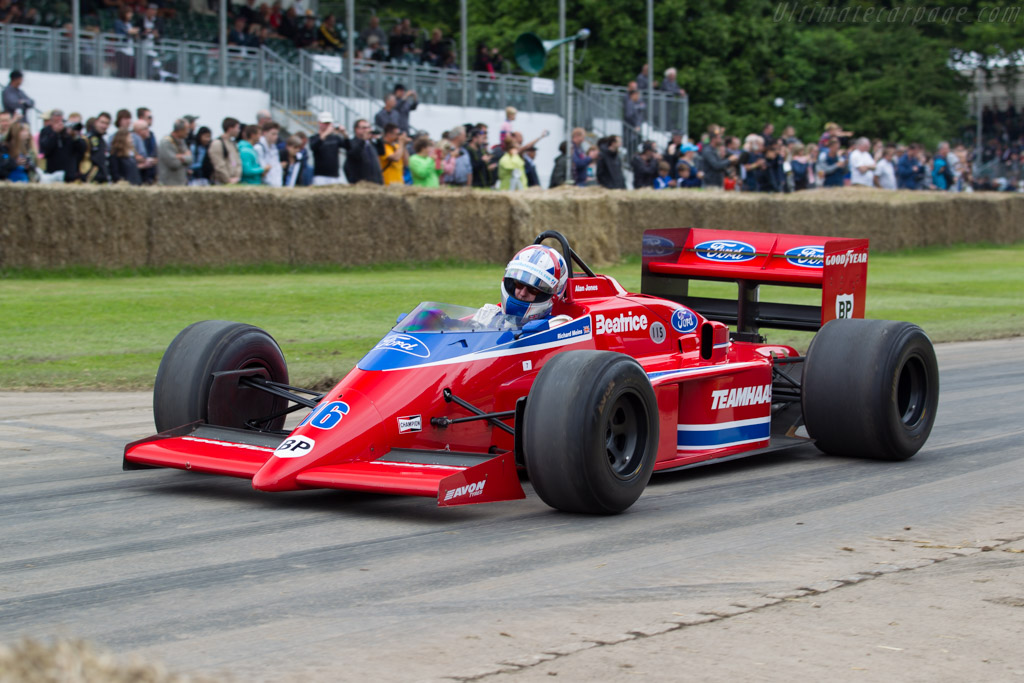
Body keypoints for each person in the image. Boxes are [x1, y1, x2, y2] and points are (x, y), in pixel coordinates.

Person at [499, 245, 569, 325]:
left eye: (533, 290)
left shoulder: (558, 326)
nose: (522, 293)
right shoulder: (489, 316)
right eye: (519, 284)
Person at [38, 109, 86, 183]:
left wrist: (74, 136)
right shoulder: (46, 131)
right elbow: (44, 149)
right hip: (52, 173)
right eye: (56, 122)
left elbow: (82, 150)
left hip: (69, 174)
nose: (60, 124)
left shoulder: (69, 132)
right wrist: (55, 133)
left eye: (61, 121)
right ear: (51, 121)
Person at [341, 118, 384, 184]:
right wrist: (363, 140)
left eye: (369, 128)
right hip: (361, 183)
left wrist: (379, 140)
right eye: (364, 128)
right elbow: (354, 155)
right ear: (356, 129)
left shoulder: (371, 143)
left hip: (375, 182)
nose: (367, 130)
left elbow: (381, 152)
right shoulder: (352, 143)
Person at [157, 118, 193, 186]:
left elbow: (190, 159)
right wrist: (185, 157)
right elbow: (173, 163)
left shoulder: (181, 141)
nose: (188, 132)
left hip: (181, 183)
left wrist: (181, 157)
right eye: (187, 129)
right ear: (180, 130)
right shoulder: (166, 142)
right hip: (169, 184)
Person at [209, 116, 241, 185]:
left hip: (234, 180)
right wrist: (228, 180)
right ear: (230, 128)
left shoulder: (233, 143)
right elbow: (219, 165)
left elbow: (237, 161)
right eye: (237, 128)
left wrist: (237, 177)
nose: (239, 130)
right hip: (221, 182)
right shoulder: (217, 143)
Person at [84, 111, 112, 183]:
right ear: (96, 122)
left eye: (107, 123)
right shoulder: (87, 138)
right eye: (102, 122)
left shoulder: (103, 140)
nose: (104, 126)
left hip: (102, 178)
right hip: (91, 177)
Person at [255, 120, 282, 186]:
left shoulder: (274, 148)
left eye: (277, 134)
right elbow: (263, 169)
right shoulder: (258, 148)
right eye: (273, 134)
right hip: (265, 185)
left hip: (276, 185)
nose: (276, 137)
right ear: (264, 133)